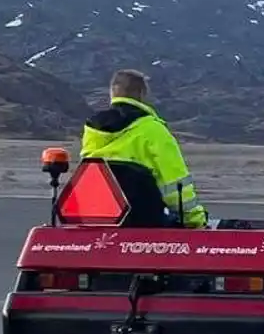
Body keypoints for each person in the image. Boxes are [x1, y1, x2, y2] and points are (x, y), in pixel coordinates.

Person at [78, 69, 208, 228]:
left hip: (96, 223)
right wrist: (195, 222)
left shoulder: (93, 133)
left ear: (112, 93)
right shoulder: (154, 131)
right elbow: (177, 188)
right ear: (142, 94)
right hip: (146, 225)